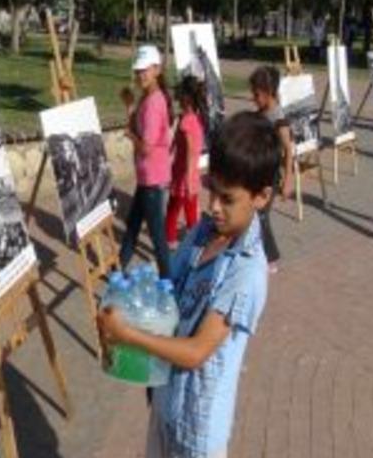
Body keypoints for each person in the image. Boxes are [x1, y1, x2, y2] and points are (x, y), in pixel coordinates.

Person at [99, 112, 280, 458]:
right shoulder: (202, 233)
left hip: (198, 430)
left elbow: (197, 351)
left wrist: (128, 335)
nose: (213, 206)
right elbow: (172, 290)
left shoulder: (247, 272)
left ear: (261, 196)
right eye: (211, 189)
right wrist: (129, 302)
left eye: (227, 199)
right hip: (166, 401)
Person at [118, 45, 174, 277]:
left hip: (152, 177)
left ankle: (168, 281)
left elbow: (147, 148)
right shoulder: (150, 97)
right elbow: (138, 128)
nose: (140, 74)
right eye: (138, 70)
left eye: (145, 70)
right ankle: (119, 266)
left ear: (157, 70)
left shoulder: (153, 103)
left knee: (157, 235)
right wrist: (130, 106)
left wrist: (130, 136)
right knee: (132, 224)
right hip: (148, 177)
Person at [249, 66, 294, 273]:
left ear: (268, 92)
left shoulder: (279, 119)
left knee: (261, 215)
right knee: (253, 212)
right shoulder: (260, 113)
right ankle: (255, 249)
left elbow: (288, 150)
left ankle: (271, 257)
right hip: (258, 171)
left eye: (257, 94)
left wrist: (288, 181)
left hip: (271, 177)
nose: (254, 98)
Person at [166, 76, 206, 250]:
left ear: (185, 98)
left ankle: (176, 241)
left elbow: (190, 152)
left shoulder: (187, 120)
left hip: (186, 174)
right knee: (181, 210)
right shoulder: (192, 118)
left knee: (178, 210)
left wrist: (189, 179)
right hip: (186, 173)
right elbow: (177, 144)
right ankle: (176, 241)